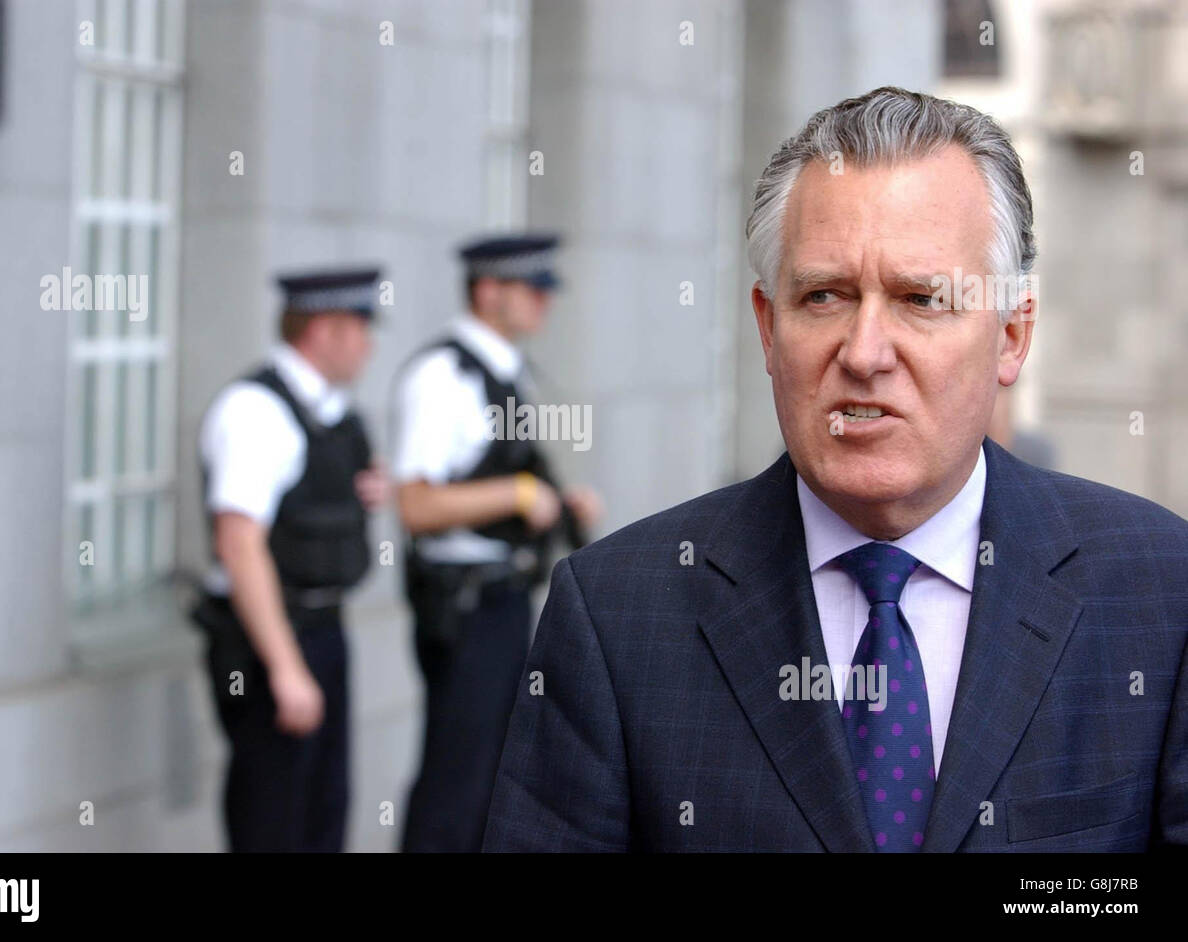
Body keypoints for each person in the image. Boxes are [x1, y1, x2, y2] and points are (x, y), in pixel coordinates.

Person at [484, 87, 1188, 852]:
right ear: (767, 325)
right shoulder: (617, 616)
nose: (864, 353)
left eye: (922, 299)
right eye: (824, 296)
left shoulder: (1160, 594)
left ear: (1012, 336)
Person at [391, 234, 601, 852]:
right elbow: (416, 503)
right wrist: (514, 496)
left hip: (504, 598)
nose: (544, 303)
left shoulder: (505, 371)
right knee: (457, 783)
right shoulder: (444, 376)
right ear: (488, 291)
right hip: (463, 606)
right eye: (531, 290)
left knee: (494, 781)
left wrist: (558, 505)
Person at [191, 267, 389, 852]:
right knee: (274, 818)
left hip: (321, 628)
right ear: (323, 331)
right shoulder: (256, 411)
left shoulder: (332, 411)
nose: (369, 345)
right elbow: (238, 543)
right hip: (268, 638)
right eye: (360, 329)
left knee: (324, 811)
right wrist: (284, 667)